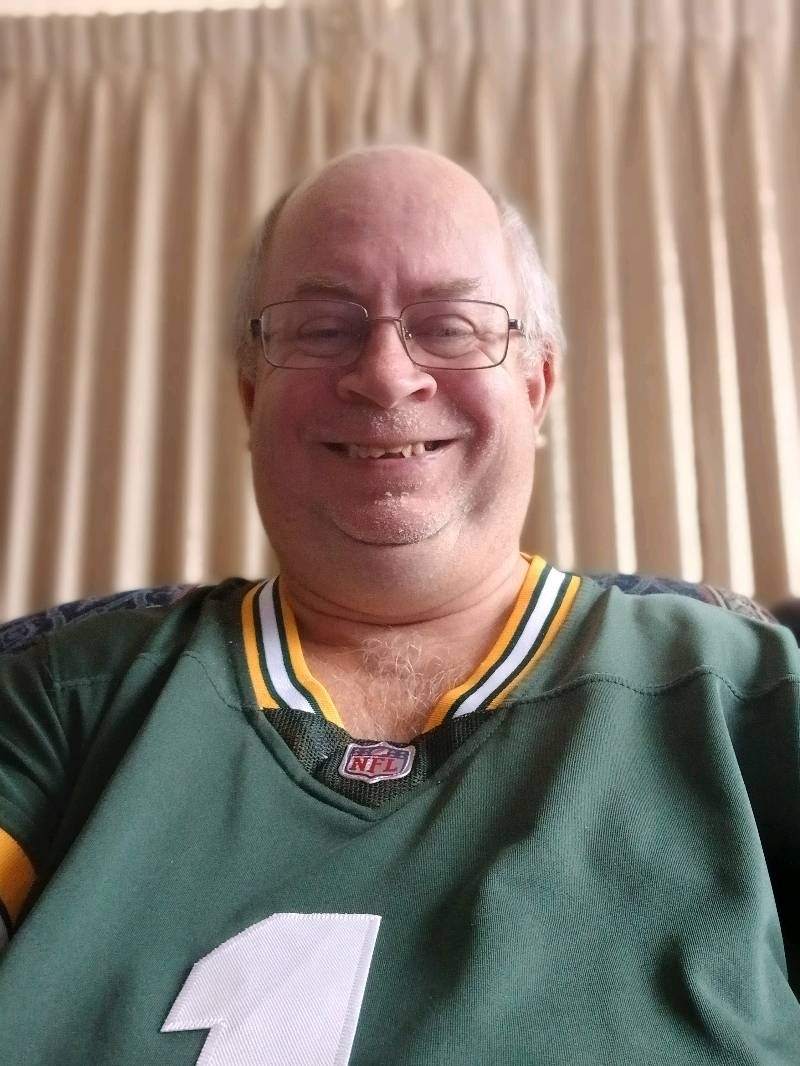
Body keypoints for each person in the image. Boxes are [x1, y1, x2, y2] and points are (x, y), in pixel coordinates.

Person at [0, 145, 797, 1065]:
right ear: (251, 395)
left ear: (535, 386)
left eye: (451, 326)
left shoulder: (749, 693)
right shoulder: (60, 696)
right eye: (321, 327)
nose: (385, 374)